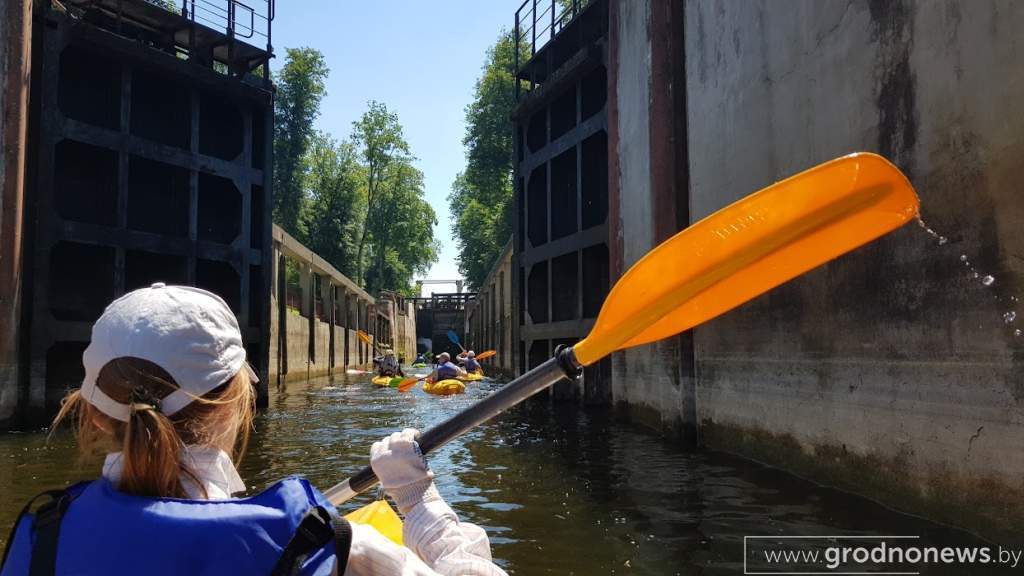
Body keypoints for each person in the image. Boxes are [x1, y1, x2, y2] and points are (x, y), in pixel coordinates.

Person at [0, 284, 506, 576]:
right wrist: (418, 502)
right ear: (233, 406)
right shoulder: (315, 544)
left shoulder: (40, 533)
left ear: (91, 414)